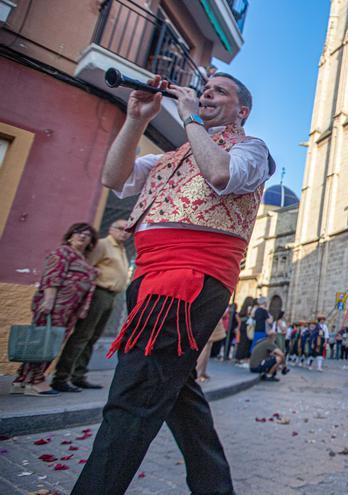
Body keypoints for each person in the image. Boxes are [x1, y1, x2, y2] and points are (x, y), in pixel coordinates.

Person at [74, 72, 271, 495]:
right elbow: (113, 177)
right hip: (147, 277)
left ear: (243, 110)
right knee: (177, 391)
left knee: (133, 396)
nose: (206, 94)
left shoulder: (251, 149)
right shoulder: (167, 158)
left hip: (187, 282)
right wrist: (137, 119)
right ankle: (214, 488)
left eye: (219, 91)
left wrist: (189, 117)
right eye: (205, 90)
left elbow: (220, 175)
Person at [13, 223, 98, 396]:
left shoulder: (81, 257)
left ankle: (22, 380)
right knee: (44, 342)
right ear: (70, 236)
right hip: (55, 306)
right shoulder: (62, 252)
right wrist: (49, 301)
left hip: (69, 309)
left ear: (91, 241)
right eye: (78, 232)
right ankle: (35, 381)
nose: (82, 236)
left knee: (49, 342)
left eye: (87, 235)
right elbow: (52, 277)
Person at [50, 219, 129, 392]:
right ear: (111, 229)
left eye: (128, 230)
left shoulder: (121, 249)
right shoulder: (102, 245)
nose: (125, 232)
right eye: (121, 229)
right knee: (82, 336)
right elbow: (87, 268)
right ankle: (61, 377)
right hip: (98, 294)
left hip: (111, 296)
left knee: (92, 338)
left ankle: (79, 375)